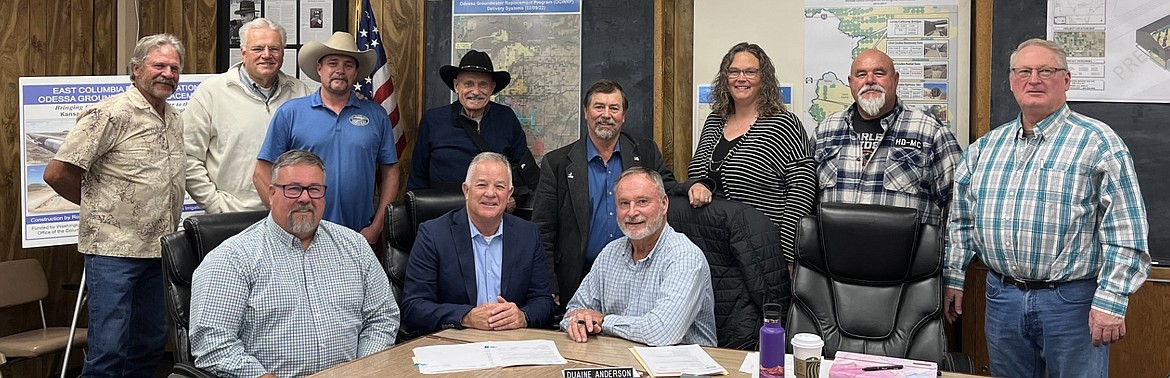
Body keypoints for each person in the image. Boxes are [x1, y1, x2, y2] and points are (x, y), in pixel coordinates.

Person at [944, 38, 1150, 378]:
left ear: (1066, 80)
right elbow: (962, 221)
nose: (1034, 79)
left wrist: (1112, 300)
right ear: (1011, 81)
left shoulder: (1098, 142)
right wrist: (954, 275)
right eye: (1023, 71)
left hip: (1071, 303)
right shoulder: (985, 148)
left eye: (1046, 71)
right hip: (1003, 298)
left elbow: (1125, 227)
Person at [42, 34, 186, 378]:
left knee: (150, 343)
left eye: (174, 67)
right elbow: (57, 172)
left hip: (159, 251)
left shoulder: (175, 117)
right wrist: (97, 207)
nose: (167, 73)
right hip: (113, 253)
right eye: (158, 65)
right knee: (109, 350)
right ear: (136, 69)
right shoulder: (109, 114)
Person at [190, 150, 400, 377]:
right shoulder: (232, 258)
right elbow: (212, 344)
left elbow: (382, 316)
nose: (304, 198)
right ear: (271, 193)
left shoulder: (355, 246)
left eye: (314, 189)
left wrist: (361, 370)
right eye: (293, 188)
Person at [532, 79, 681, 312]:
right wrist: (549, 284)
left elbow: (668, 193)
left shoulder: (646, 153)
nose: (606, 115)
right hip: (577, 277)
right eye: (598, 107)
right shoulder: (558, 163)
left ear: (624, 115)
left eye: (614, 108)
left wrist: (696, 187)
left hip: (638, 274)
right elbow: (543, 229)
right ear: (585, 112)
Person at [254, 31, 399, 244]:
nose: (340, 70)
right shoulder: (291, 113)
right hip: (301, 234)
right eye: (333, 63)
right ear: (320, 69)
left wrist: (377, 227)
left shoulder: (376, 115)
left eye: (348, 65)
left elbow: (391, 173)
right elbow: (261, 172)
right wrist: (282, 218)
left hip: (358, 236)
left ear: (356, 73)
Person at [686, 42, 817, 264]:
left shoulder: (784, 124)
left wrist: (786, 255)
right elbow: (697, 175)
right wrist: (696, 185)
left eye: (750, 72)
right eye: (734, 71)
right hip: (713, 250)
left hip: (762, 253)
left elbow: (802, 191)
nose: (741, 78)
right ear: (725, 78)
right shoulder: (713, 121)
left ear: (763, 78)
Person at [560, 167, 715, 347]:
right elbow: (573, 311)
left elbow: (662, 333)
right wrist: (581, 322)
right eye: (624, 203)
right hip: (619, 359)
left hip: (684, 368)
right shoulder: (610, 253)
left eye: (642, 202)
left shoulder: (684, 257)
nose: (632, 212)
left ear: (664, 204)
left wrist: (603, 322)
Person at [401, 152, 554, 333]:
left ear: (509, 193)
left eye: (500, 186)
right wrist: (466, 317)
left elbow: (544, 301)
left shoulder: (528, 234)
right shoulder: (433, 235)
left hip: (511, 343)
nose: (490, 193)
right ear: (466, 190)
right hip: (455, 344)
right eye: (481, 185)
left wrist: (523, 316)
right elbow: (413, 307)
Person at [814, 49, 962, 226]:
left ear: (896, 79)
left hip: (907, 253)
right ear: (850, 82)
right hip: (835, 252)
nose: (870, 80)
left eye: (879, 73)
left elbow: (958, 204)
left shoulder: (929, 131)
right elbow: (806, 199)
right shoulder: (825, 131)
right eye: (861, 74)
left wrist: (947, 252)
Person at [185, 18, 311, 213]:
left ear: (283, 53)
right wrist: (215, 205)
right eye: (258, 48)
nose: (266, 55)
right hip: (231, 216)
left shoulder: (300, 92)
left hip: (288, 214)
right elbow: (188, 157)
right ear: (243, 52)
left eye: (274, 49)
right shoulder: (211, 92)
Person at [409, 50, 532, 209]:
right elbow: (417, 178)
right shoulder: (432, 121)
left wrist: (516, 199)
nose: (475, 91)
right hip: (443, 215)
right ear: (456, 86)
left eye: (483, 84)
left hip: (492, 214)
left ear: (492, 88)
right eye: (468, 84)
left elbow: (525, 170)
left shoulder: (506, 118)